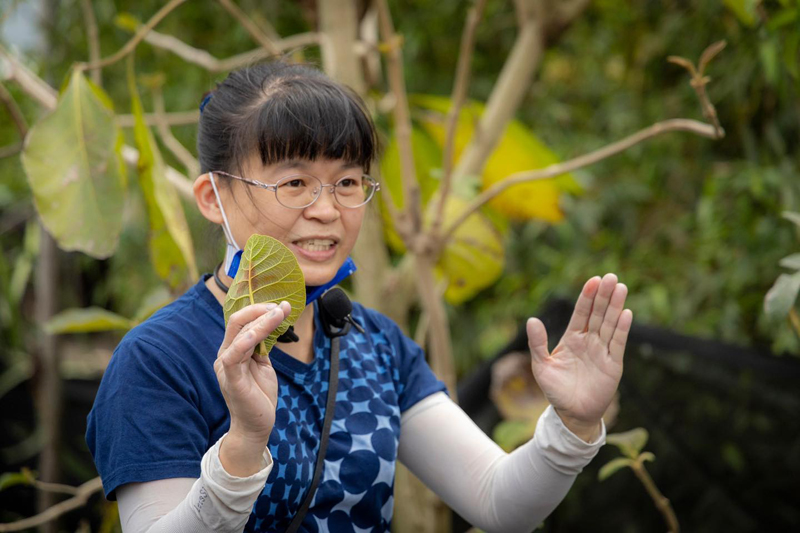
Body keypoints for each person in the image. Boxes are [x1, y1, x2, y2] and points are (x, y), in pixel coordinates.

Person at [86, 61, 632, 533]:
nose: (327, 209)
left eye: (348, 182)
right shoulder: (159, 359)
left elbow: (497, 500)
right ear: (213, 197)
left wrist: (572, 426)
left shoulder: (374, 342)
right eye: (294, 183)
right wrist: (245, 442)